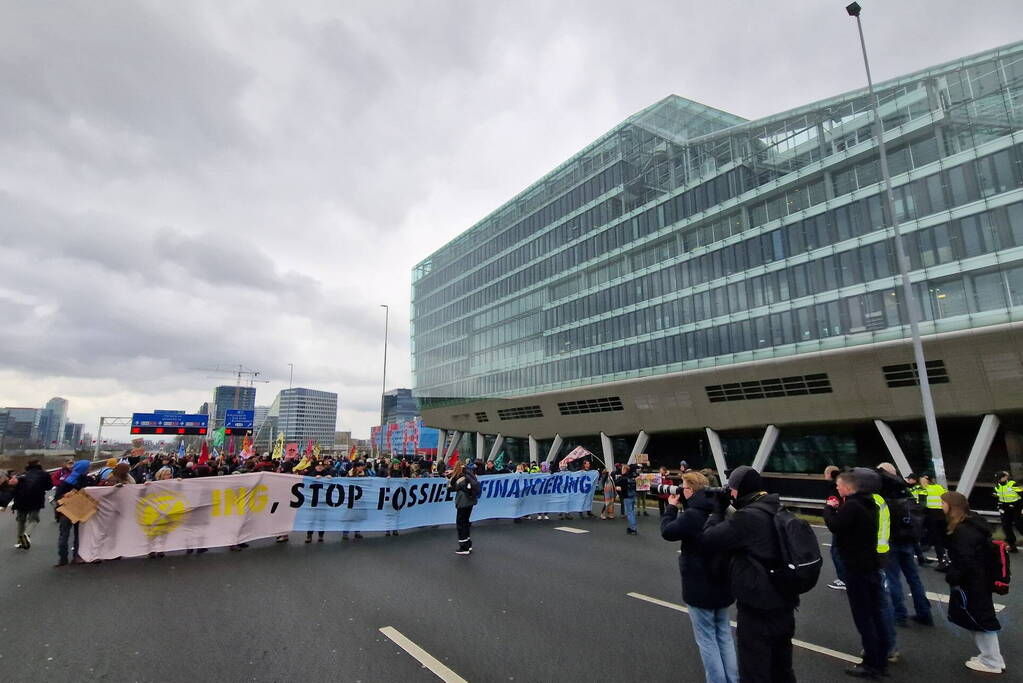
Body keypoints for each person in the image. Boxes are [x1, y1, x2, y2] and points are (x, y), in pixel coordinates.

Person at [701, 466, 797, 683]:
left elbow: (709, 539)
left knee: (755, 670)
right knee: (782, 668)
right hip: (785, 601)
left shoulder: (747, 518)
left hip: (757, 605)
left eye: (732, 489)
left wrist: (718, 510)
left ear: (741, 490)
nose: (730, 494)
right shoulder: (777, 509)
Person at [661, 471, 738, 683]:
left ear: (691, 490)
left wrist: (670, 508)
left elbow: (667, 532)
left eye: (683, 487)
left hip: (699, 585)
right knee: (723, 635)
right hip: (723, 582)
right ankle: (733, 678)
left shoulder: (692, 515)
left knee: (706, 640)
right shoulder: (720, 510)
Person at [824, 471, 891, 679]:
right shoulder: (870, 503)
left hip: (857, 568)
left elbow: (835, 525)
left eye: (838, 485)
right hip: (871, 564)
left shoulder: (852, 505)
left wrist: (829, 508)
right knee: (876, 613)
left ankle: (871, 663)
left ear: (848, 487)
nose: (836, 488)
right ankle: (881, 658)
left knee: (864, 617)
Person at [941, 491, 1005, 674]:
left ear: (951, 506)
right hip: (980, 578)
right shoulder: (974, 523)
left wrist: (952, 576)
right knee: (981, 618)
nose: (941, 506)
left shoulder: (962, 531)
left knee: (980, 620)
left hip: (972, 582)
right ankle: (991, 657)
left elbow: (965, 560)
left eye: (943, 503)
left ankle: (991, 661)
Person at [876, 464, 933, 627]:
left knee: (893, 578)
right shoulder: (904, 488)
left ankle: (899, 615)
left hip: (890, 540)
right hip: (907, 538)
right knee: (914, 578)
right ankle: (924, 613)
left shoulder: (882, 490)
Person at [54, 460, 93, 567]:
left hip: (65, 511)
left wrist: (65, 496)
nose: (90, 469)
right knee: (79, 534)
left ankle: (63, 558)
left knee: (64, 534)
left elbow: (57, 497)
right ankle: (77, 556)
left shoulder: (67, 481)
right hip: (81, 510)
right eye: (88, 467)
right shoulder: (88, 480)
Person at [11, 459, 54, 550]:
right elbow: (49, 486)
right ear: (38, 464)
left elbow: (15, 489)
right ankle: (26, 535)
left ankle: (20, 541)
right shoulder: (44, 474)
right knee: (33, 519)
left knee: (21, 520)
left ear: (28, 465)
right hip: (36, 499)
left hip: (21, 499)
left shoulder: (22, 475)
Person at [447, 460, 480, 555]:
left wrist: (450, 477)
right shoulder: (469, 475)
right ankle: (468, 544)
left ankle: (463, 547)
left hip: (462, 502)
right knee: (466, 522)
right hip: (470, 501)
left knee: (460, 524)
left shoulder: (458, 477)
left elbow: (450, 488)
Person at [824, 465, 848, 591]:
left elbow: (833, 508)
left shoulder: (834, 490)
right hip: (845, 525)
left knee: (836, 552)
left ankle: (843, 579)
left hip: (840, 525)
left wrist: (829, 509)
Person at [920, 474, 949, 570]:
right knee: (942, 538)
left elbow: (920, 503)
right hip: (942, 514)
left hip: (931, 515)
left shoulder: (924, 489)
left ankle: (941, 560)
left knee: (936, 538)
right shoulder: (940, 487)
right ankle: (946, 559)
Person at [992, 471, 1022, 553]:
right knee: (1006, 527)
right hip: (1005, 508)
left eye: (1000, 478)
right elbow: (997, 496)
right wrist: (999, 505)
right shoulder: (997, 486)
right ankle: (1012, 546)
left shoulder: (1012, 484)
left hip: (1016, 507)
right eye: (997, 478)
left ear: (1005, 477)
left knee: (1019, 525)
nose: (999, 480)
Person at [615, 463, 638, 535]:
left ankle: (633, 528)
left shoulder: (623, 478)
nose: (621, 470)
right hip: (633, 495)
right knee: (632, 512)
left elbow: (616, 483)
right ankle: (631, 526)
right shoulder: (632, 477)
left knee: (629, 513)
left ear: (624, 470)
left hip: (627, 497)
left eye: (622, 469)